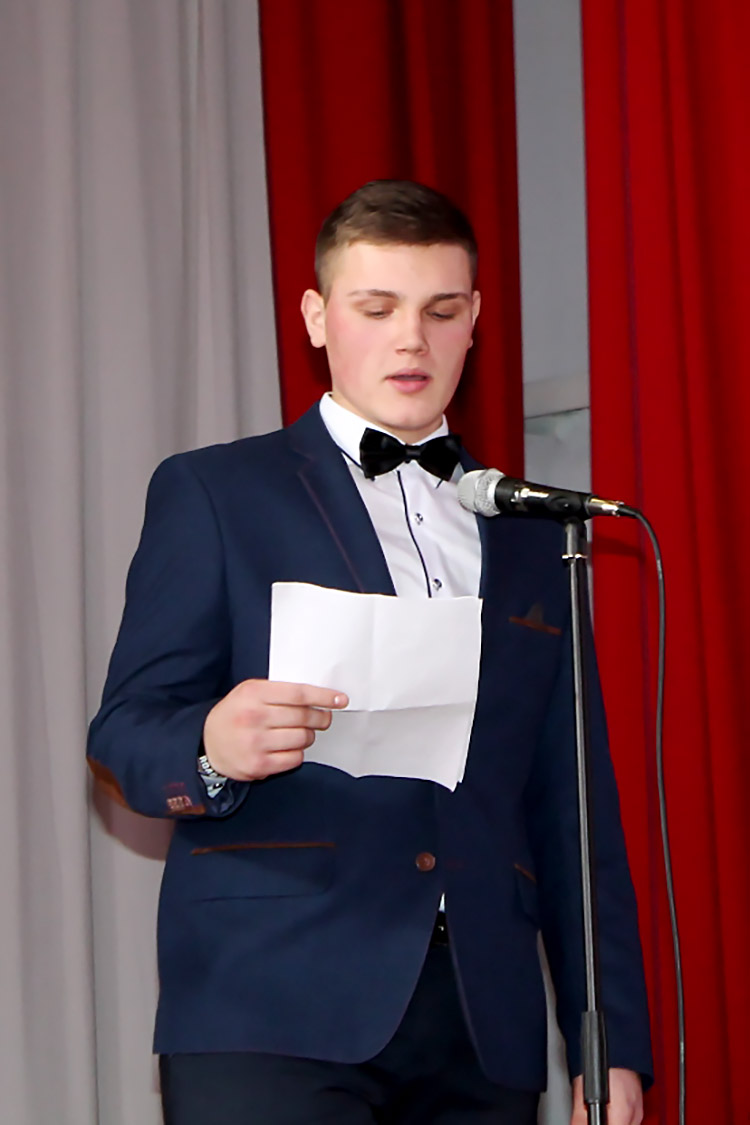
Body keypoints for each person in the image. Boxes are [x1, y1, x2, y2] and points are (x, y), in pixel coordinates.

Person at [88, 180, 652, 1124]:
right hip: (269, 1002)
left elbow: (574, 807)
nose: (411, 340)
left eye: (441, 311)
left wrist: (609, 1042)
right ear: (317, 317)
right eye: (377, 307)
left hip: (483, 1016)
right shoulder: (217, 492)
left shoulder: (536, 534)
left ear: (475, 319)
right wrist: (212, 746)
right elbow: (124, 735)